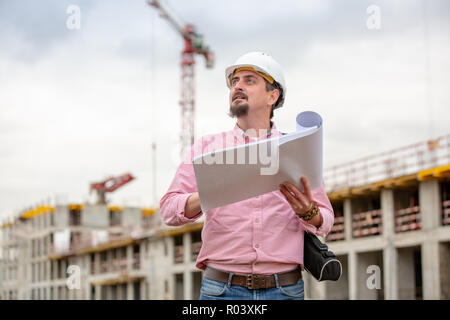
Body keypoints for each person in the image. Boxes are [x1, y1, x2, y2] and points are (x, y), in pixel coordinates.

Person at [160, 51, 334, 300]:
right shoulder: (208, 148)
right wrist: (210, 193)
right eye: (235, 81)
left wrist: (309, 212)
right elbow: (168, 209)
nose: (238, 86)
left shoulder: (297, 149)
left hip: (285, 290)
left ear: (272, 96)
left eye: (249, 80)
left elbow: (326, 219)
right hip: (221, 290)